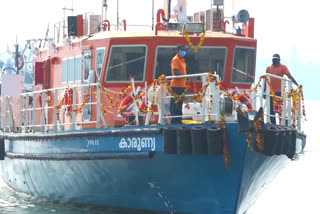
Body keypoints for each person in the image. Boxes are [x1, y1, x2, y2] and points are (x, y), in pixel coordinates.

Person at [265, 53, 299, 124]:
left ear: (279, 60)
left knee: (280, 109)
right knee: (271, 109)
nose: (274, 61)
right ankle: (273, 123)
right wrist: (265, 91)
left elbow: (289, 76)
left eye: (276, 60)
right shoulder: (268, 68)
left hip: (279, 91)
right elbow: (266, 80)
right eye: (273, 59)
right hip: (271, 91)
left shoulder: (283, 67)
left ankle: (284, 122)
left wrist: (297, 84)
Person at [170, 45, 187, 124]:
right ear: (177, 51)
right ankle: (174, 120)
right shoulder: (176, 59)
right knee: (175, 103)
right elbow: (175, 71)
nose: (183, 51)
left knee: (180, 103)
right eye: (182, 50)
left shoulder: (182, 60)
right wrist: (184, 76)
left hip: (182, 85)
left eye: (184, 50)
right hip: (176, 85)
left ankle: (179, 120)